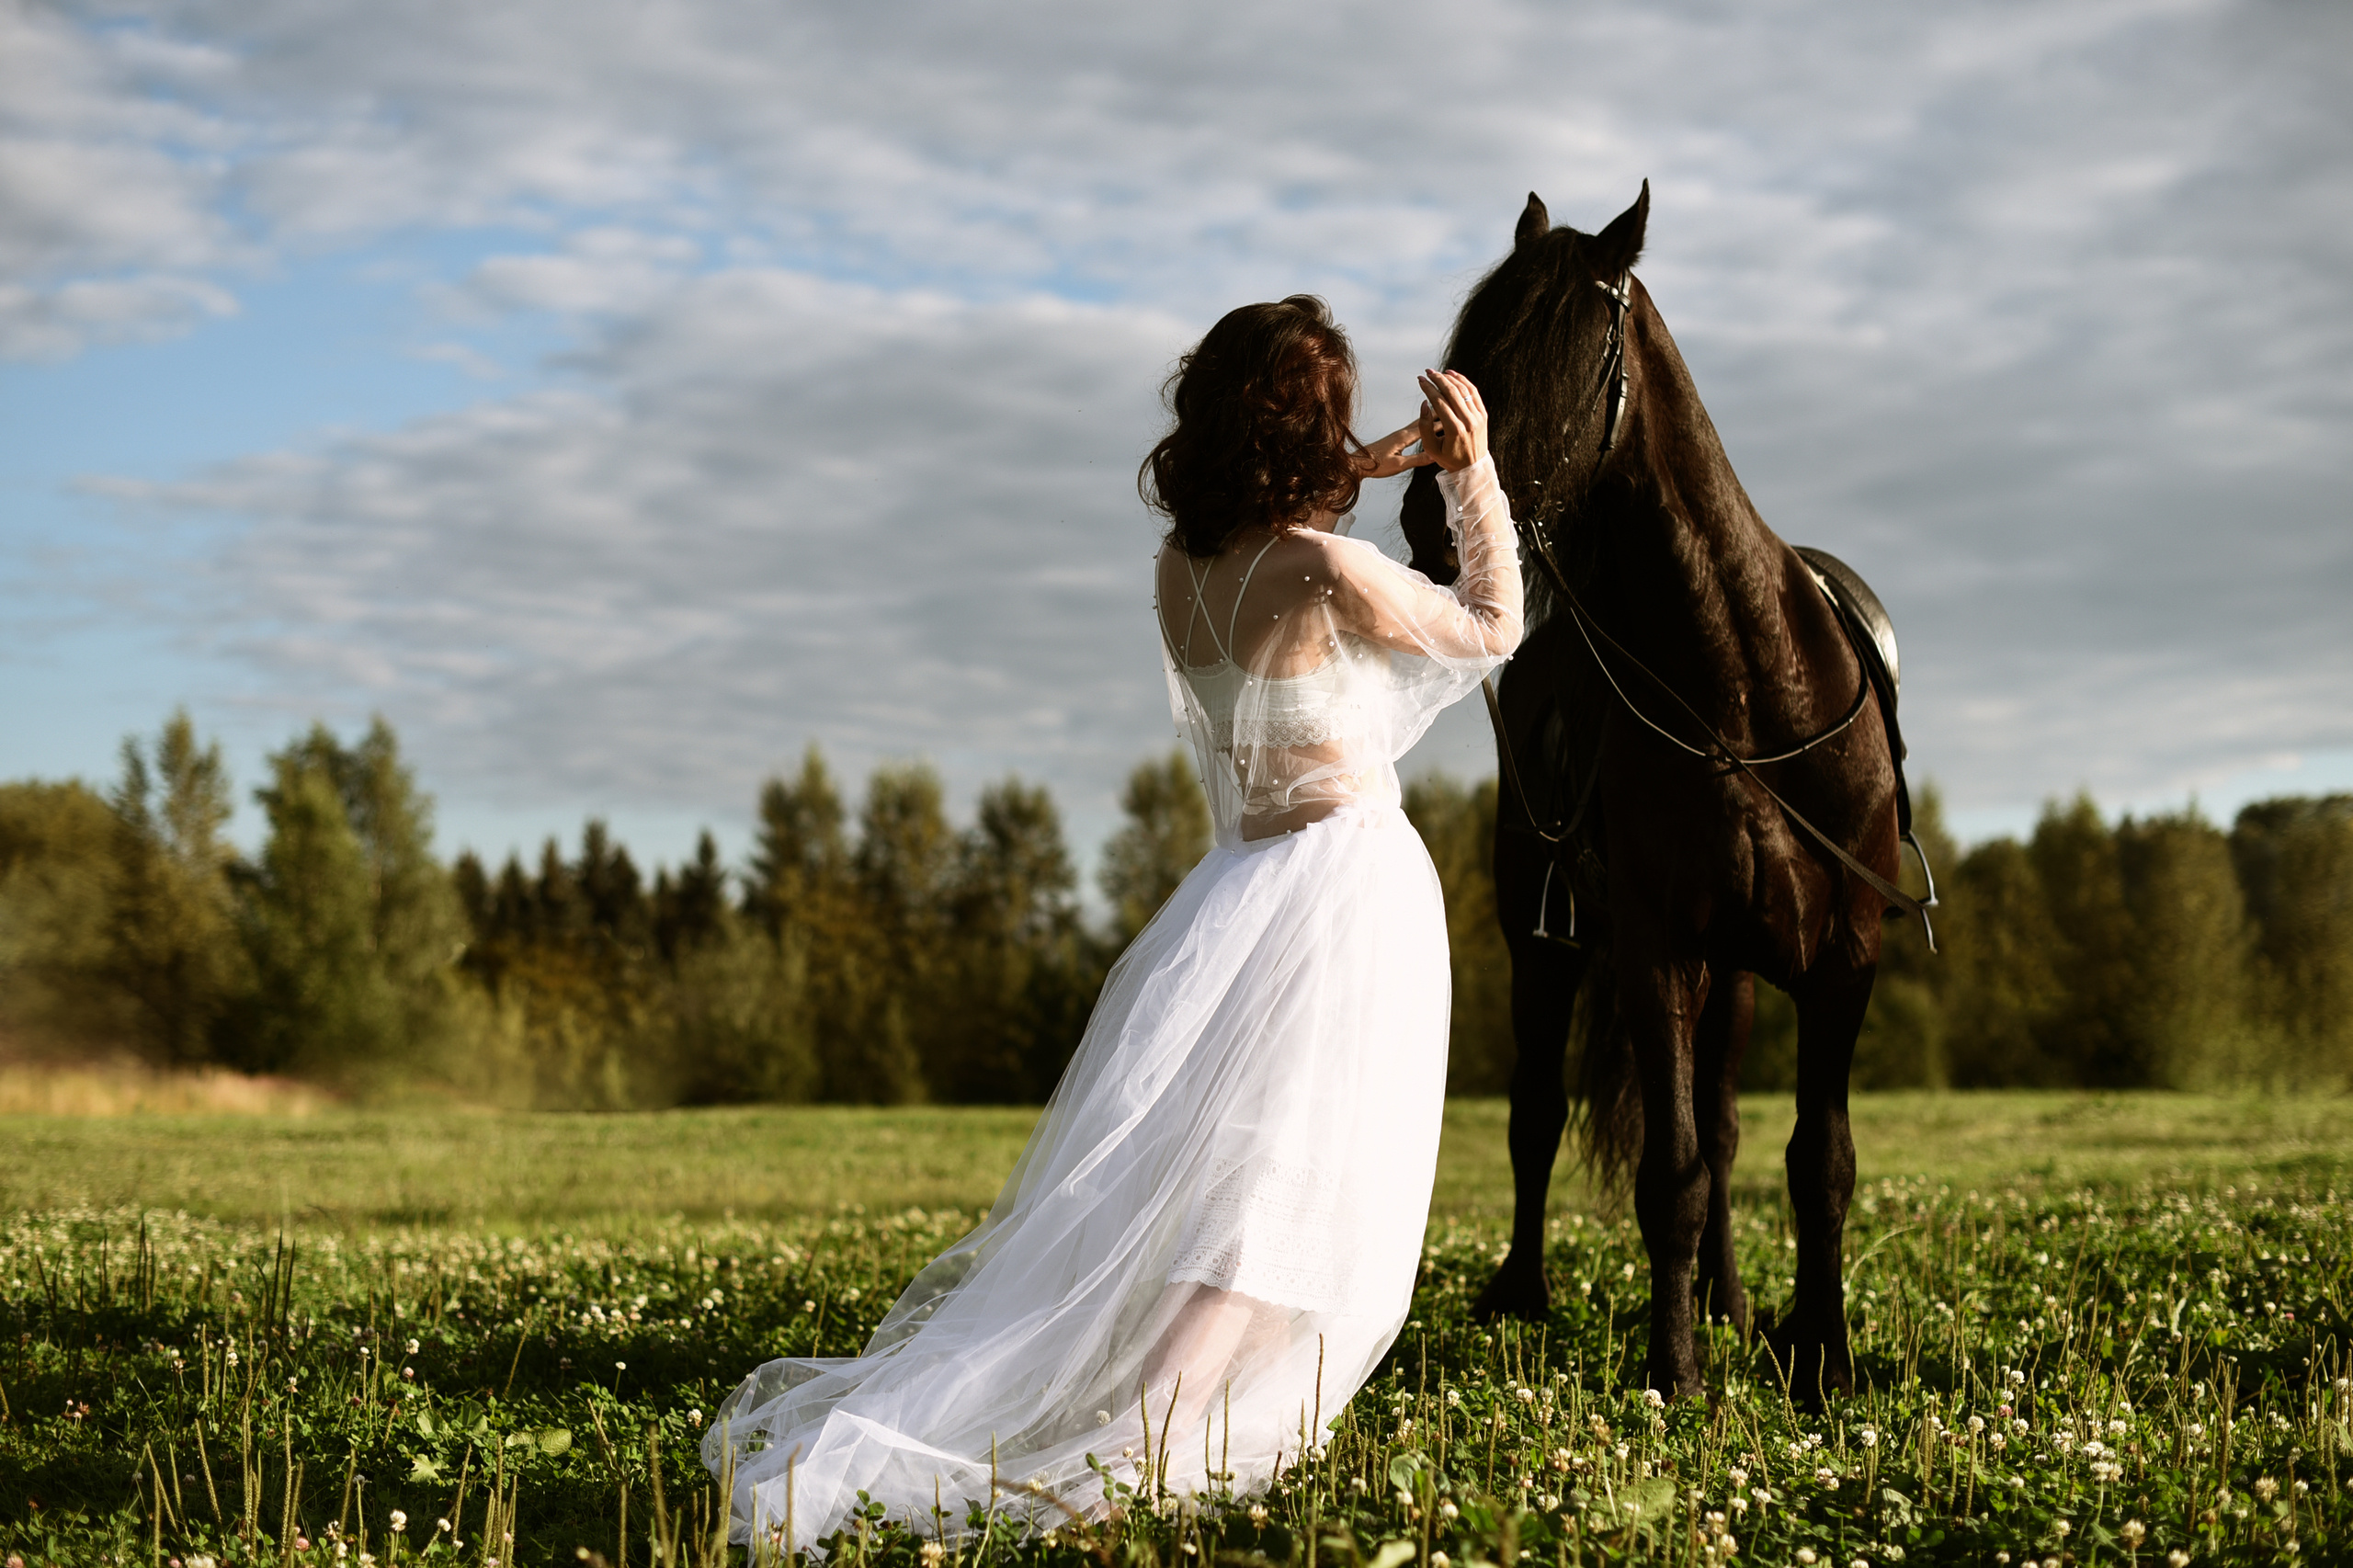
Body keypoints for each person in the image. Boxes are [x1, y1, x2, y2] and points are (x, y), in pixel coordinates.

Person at [704, 294, 1524, 1550]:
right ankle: (1141, 1441)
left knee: (1234, 1183)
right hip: (1342, 893)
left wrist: (1368, 460)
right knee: (1285, 1198)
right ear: (1303, 433)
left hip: (1240, 891)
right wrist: (1473, 476)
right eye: (1336, 422)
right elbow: (1490, 625)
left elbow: (1281, 527)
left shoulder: (1181, 573)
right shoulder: (1318, 566)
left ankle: (1138, 1420)